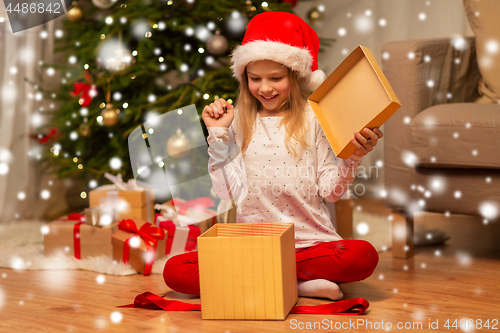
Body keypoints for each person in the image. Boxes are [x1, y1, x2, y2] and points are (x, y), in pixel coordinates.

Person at [163, 11, 382, 301]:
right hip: (252, 247)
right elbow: (225, 193)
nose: (264, 88)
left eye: (276, 78)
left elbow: (331, 192)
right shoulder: (237, 120)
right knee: (175, 270)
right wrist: (217, 135)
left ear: (296, 76)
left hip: (307, 244)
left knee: (361, 256)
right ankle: (297, 285)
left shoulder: (314, 117)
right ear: (245, 78)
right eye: (255, 79)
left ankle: (265, 281)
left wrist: (351, 157)